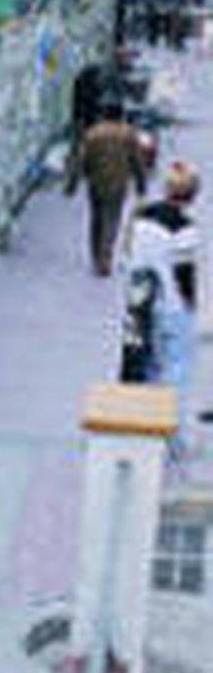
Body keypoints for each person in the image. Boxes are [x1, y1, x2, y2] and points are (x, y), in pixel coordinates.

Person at [122, 156, 200, 452]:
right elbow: (184, 272)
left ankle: (144, 428)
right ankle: (170, 437)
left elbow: (128, 254)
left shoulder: (142, 215)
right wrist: (192, 304)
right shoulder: (184, 227)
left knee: (149, 365)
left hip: (141, 301)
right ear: (191, 195)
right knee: (177, 370)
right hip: (173, 305)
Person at [73, 98, 150, 277]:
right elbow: (137, 160)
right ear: (121, 115)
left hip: (96, 181)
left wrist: (74, 182)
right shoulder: (128, 134)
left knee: (96, 219)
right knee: (112, 219)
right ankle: (105, 257)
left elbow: (81, 159)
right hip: (119, 182)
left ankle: (95, 255)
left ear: (103, 114)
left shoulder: (92, 133)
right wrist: (141, 184)